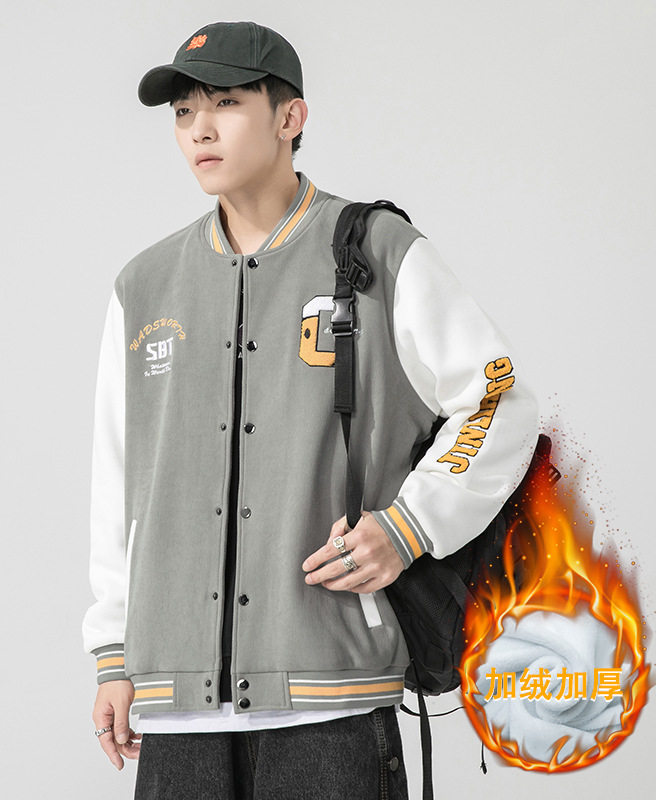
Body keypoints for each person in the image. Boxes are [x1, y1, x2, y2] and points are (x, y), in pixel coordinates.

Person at [82, 20, 539, 799]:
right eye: (184, 112)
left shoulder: (376, 251)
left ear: (289, 117)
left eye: (226, 103)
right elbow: (119, 483)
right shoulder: (144, 286)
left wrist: (409, 526)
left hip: (331, 698)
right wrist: (114, 653)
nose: (199, 129)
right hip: (177, 709)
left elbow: (498, 400)